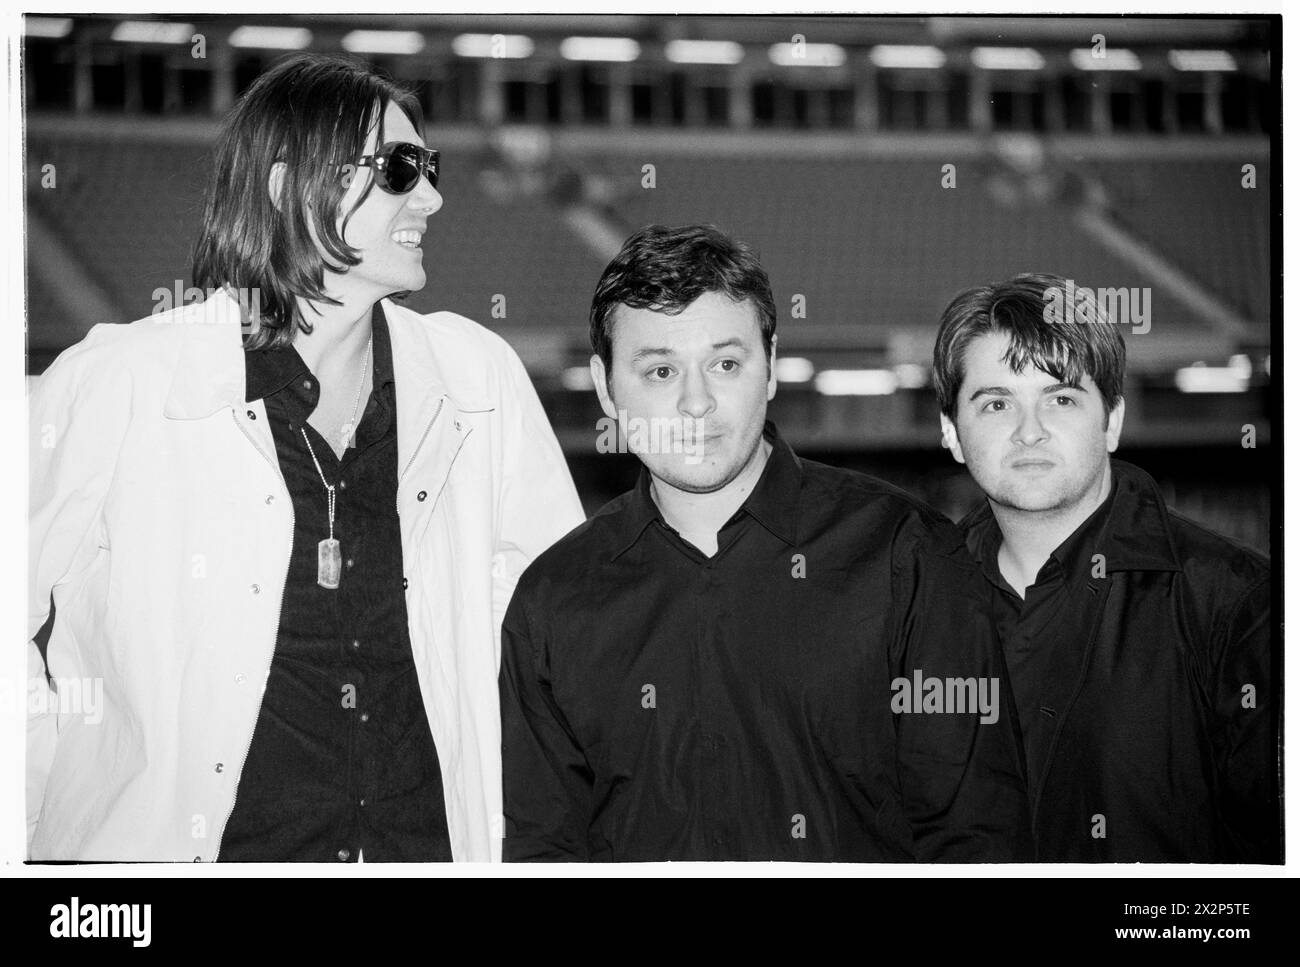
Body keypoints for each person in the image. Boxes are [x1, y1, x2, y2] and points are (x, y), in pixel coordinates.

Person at [27, 53, 584, 862]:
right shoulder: (122, 381)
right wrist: (56, 806)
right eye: (398, 169)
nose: (430, 196)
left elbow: (555, 637)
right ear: (289, 184)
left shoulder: (477, 377)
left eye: (429, 168)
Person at [499, 224, 1030, 861]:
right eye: (661, 370)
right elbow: (545, 855)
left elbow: (975, 839)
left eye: (725, 364)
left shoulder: (905, 556)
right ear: (608, 387)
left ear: (771, 367)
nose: (696, 403)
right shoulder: (553, 599)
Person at [932, 272, 1278, 862]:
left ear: (1112, 419)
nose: (1029, 431)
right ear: (952, 433)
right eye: (996, 403)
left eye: (1061, 398)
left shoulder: (1239, 604)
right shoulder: (913, 607)